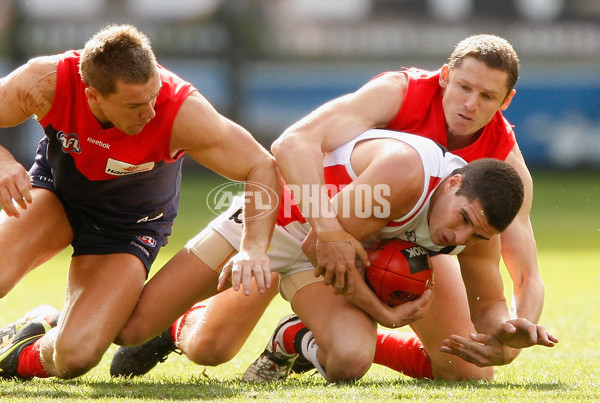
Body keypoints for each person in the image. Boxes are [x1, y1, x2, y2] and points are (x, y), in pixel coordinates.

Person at [110, 34, 549, 382]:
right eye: (464, 87)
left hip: (368, 238)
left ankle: (299, 336)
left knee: (467, 369)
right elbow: (294, 143)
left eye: (488, 97)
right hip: (292, 216)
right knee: (209, 346)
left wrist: (513, 336)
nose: (471, 105)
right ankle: (174, 327)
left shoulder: (501, 172)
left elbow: (522, 274)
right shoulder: (401, 94)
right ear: (444, 76)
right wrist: (336, 236)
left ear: (506, 101)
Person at [0, 24, 280, 380]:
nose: (150, 112)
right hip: (57, 196)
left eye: (153, 95)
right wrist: (4, 163)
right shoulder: (47, 81)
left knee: (76, 356)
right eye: (134, 105)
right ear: (93, 96)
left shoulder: (180, 111)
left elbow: (261, 165)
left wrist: (254, 247)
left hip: (127, 228)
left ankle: (20, 345)